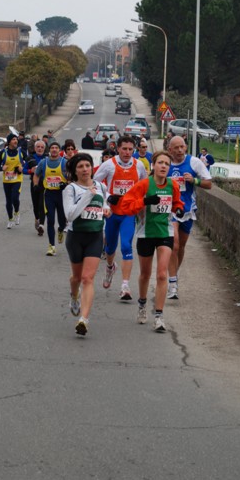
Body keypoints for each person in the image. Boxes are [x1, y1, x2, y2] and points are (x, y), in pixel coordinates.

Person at [120, 151, 184, 332]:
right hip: (145, 234)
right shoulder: (143, 185)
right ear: (153, 165)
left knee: (162, 274)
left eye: (167, 164)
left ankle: (159, 315)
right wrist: (145, 201)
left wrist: (178, 209)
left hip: (165, 232)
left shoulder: (172, 185)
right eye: (160, 163)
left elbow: (177, 203)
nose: (164, 166)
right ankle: (142, 304)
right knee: (145, 274)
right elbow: (126, 206)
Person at [63, 153, 111, 336]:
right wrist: (86, 198)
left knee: (87, 278)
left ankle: (83, 319)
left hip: (95, 236)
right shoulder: (71, 190)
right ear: (75, 171)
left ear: (92, 168)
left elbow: (105, 204)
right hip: (75, 237)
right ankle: (74, 296)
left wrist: (107, 210)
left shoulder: (101, 186)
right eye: (81, 166)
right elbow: (70, 215)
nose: (85, 169)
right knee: (76, 278)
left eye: (87, 166)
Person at [94, 135, 147, 300]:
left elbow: (144, 186)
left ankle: (125, 286)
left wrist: (141, 205)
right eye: (124, 149)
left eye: (131, 149)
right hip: (111, 213)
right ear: (118, 149)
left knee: (126, 246)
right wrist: (108, 197)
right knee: (110, 248)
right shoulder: (109, 165)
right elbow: (94, 184)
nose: (127, 152)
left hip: (128, 214)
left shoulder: (138, 165)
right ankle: (110, 267)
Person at [167, 136, 212, 299]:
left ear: (186, 148)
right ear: (170, 150)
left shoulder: (194, 162)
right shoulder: (165, 162)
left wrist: (194, 180)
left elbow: (209, 183)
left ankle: (174, 274)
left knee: (182, 246)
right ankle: (172, 283)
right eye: (176, 148)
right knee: (175, 244)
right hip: (169, 210)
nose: (179, 150)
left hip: (187, 210)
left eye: (182, 147)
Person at [33, 141, 67, 255]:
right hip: (49, 195)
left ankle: (61, 230)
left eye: (56, 148)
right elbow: (36, 175)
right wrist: (36, 185)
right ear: (49, 150)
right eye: (52, 147)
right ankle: (51, 246)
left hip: (62, 195)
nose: (54, 149)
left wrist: (66, 184)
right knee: (51, 220)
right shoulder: (43, 162)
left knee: (62, 221)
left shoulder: (64, 162)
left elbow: (71, 177)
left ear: (59, 150)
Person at [0, 132, 26, 228]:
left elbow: (29, 161)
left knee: (15, 198)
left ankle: (16, 212)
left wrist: (22, 167)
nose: (15, 140)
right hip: (6, 180)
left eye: (16, 139)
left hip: (17, 179)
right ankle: (10, 219)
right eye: (13, 139)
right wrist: (1, 168)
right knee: (8, 200)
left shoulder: (21, 152)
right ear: (9, 142)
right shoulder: (3, 152)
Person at [23, 139, 47, 235]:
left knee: (42, 205)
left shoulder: (47, 158)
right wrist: (30, 171)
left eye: (42, 147)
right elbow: (23, 170)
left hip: (45, 184)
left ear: (44, 149)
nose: (40, 149)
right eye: (38, 147)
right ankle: (37, 218)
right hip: (34, 183)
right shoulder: (30, 158)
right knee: (36, 205)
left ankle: (41, 224)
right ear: (34, 148)